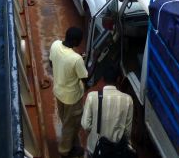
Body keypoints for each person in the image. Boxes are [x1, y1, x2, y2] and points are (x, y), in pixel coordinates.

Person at [50, 27, 88, 158]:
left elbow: (51, 63)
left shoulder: (55, 45)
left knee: (65, 119)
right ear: (76, 41)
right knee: (70, 125)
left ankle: (70, 143)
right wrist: (95, 59)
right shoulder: (76, 59)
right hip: (72, 98)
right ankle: (65, 151)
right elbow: (86, 80)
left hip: (59, 92)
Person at [81, 66, 134, 157]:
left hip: (95, 148)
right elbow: (127, 132)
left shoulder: (92, 96)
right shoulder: (128, 100)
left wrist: (94, 131)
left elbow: (85, 125)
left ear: (103, 79)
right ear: (118, 79)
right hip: (116, 150)